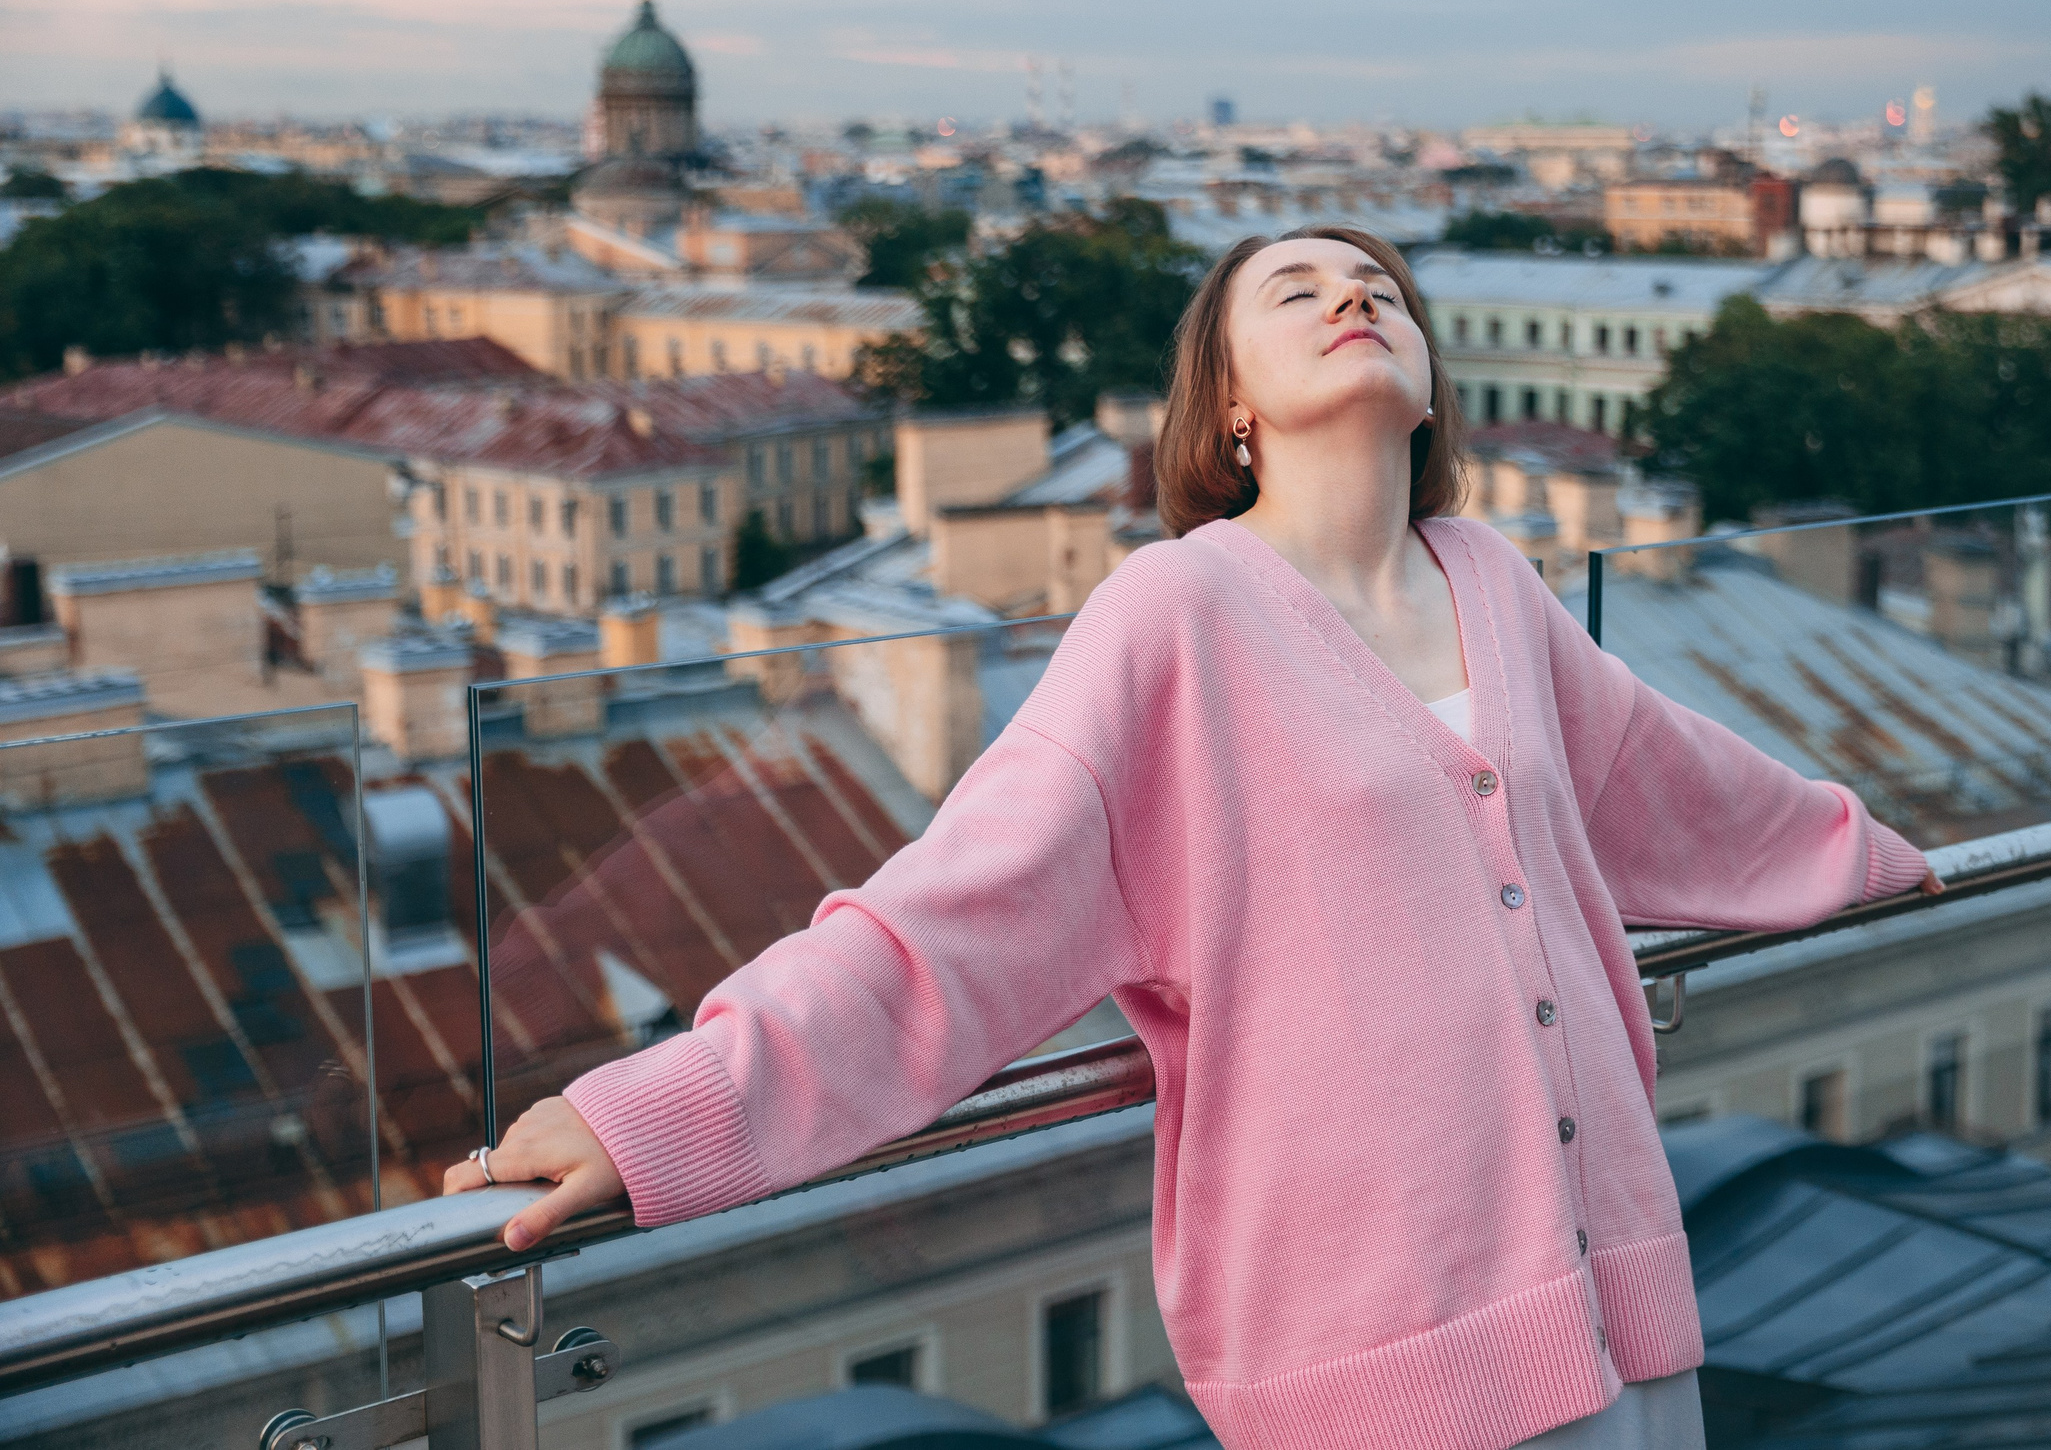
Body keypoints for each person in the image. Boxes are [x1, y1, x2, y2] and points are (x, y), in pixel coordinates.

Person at [445, 225, 1940, 1450]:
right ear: (1226, 405)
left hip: (1616, 1288)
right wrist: (666, 1111)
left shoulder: (1492, 577)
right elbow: (957, 920)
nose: (1354, 297)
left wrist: (1876, 855)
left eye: (1382, 291)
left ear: (1428, 384)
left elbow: (1673, 790)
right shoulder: (1176, 616)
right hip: (1380, 1335)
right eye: (1299, 289)